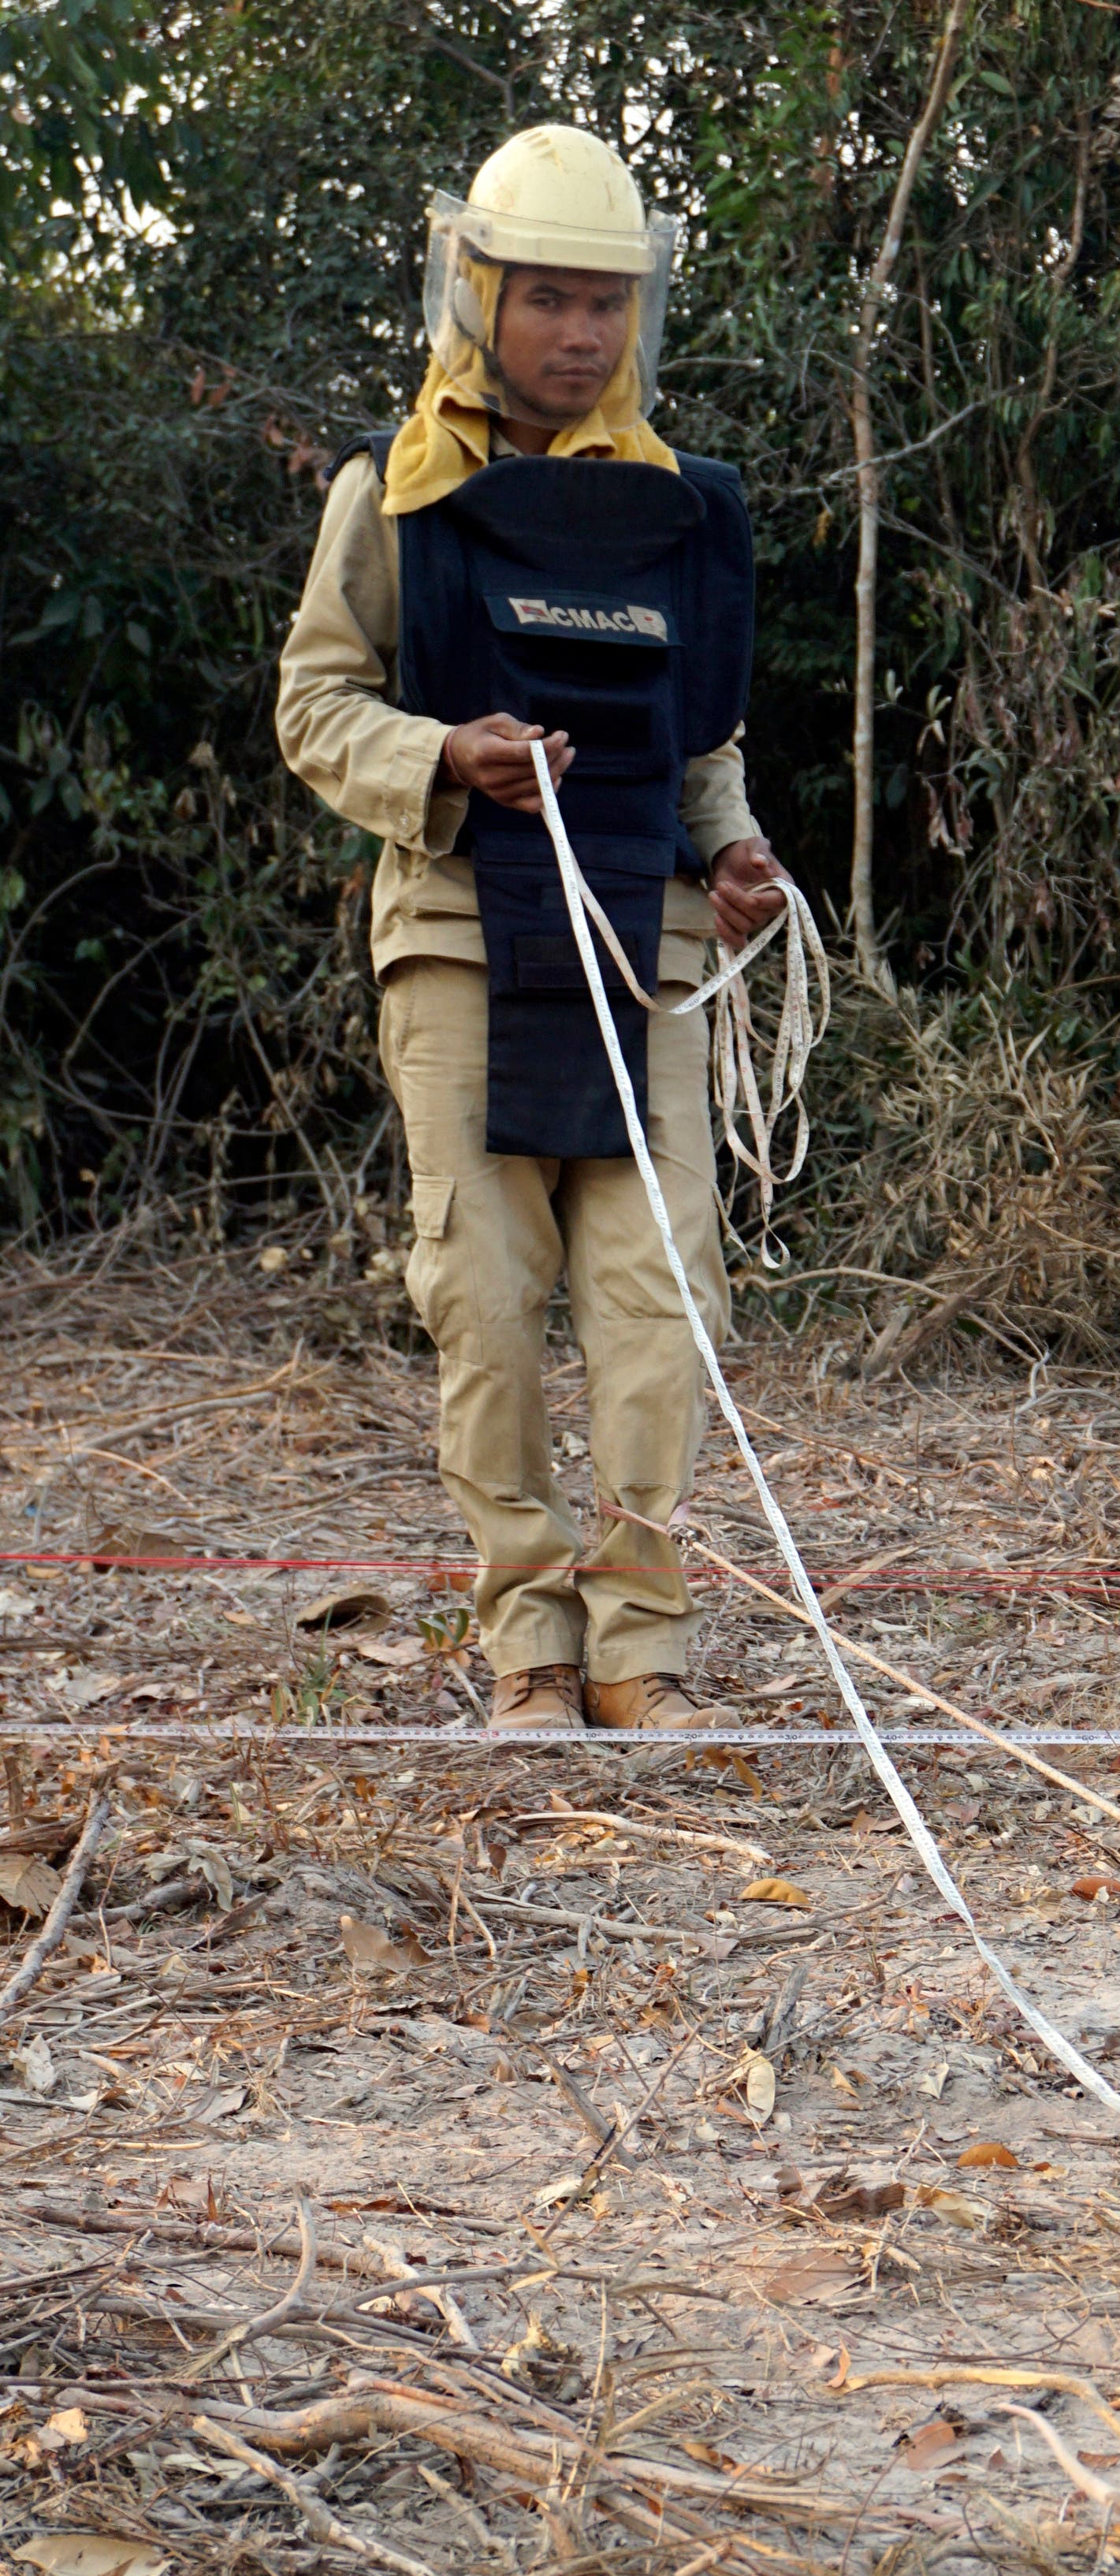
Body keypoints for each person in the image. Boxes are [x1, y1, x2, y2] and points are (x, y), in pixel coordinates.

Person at [277, 123, 784, 1733]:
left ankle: (640, 1648)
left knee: (657, 1301)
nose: (580, 335)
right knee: (484, 1297)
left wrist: (738, 847)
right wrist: (444, 757)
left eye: (606, 305)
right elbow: (314, 702)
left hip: (648, 946)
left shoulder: (681, 513)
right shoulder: (397, 488)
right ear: (476, 294)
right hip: (456, 935)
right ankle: (529, 1645)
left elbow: (698, 739)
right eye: (548, 300)